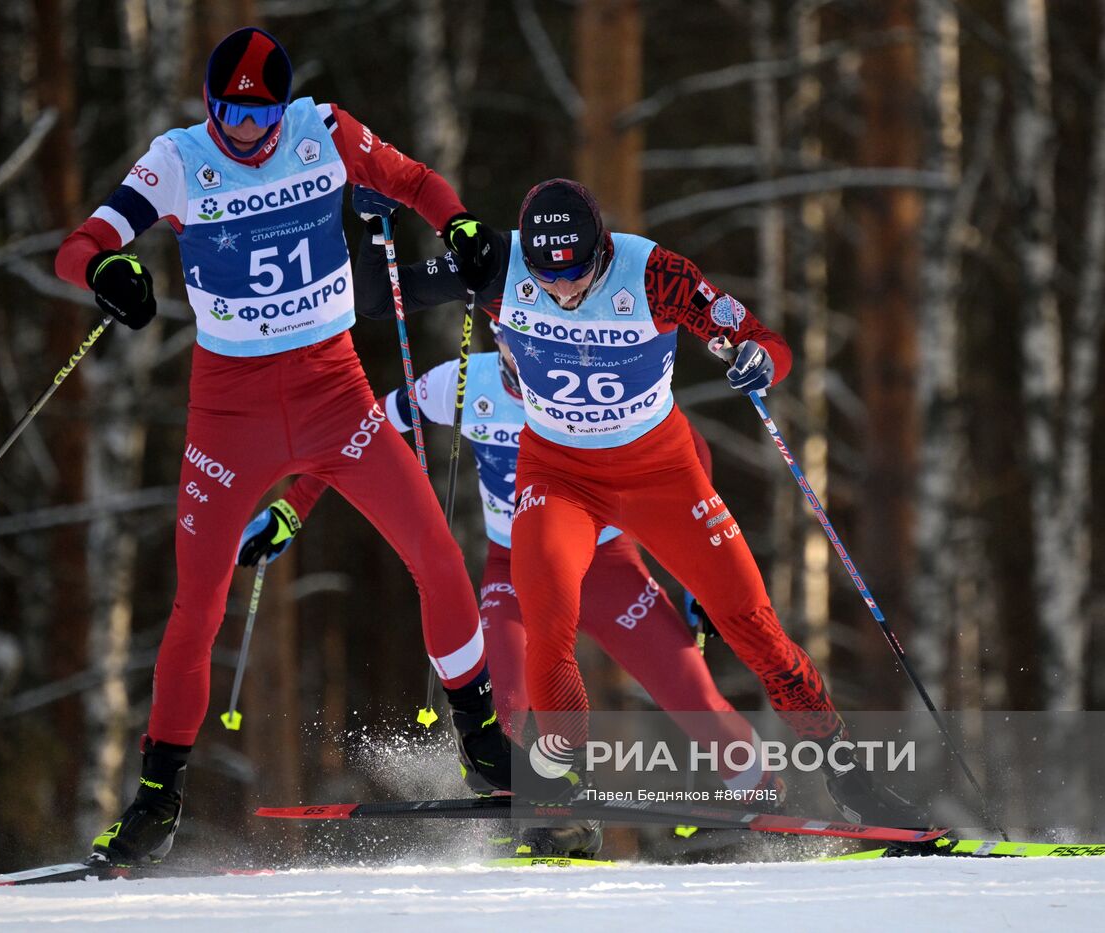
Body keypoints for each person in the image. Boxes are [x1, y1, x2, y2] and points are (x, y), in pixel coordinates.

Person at [323, 179, 925, 840]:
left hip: (662, 474)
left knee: (755, 629)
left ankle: (853, 780)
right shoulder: (497, 261)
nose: (562, 291)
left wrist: (759, 362)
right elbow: (375, 297)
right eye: (547, 278)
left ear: (601, 248)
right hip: (558, 474)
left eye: (576, 275)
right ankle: (563, 787)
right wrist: (369, 227)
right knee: (548, 627)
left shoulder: (655, 274)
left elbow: (758, 337)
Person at [53, 26, 509, 866]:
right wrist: (106, 272)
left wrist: (463, 223)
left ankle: (484, 743)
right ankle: (158, 799)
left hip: (336, 396)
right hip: (231, 416)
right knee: (199, 605)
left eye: (260, 117)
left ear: (284, 108)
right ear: (207, 103)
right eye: (229, 112)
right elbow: (80, 244)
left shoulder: (322, 131)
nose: (247, 133)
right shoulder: (180, 158)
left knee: (439, 557)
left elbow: (411, 181)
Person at [243, 315, 779, 856]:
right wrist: (293, 505)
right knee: (504, 704)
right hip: (514, 569)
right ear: (498, 339)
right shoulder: (460, 383)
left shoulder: (590, 380)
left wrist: (698, 571)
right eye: (519, 344)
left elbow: (690, 449)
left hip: (605, 566)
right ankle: (550, 811)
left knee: (692, 697)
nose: (534, 359)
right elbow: (359, 429)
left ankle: (764, 796)